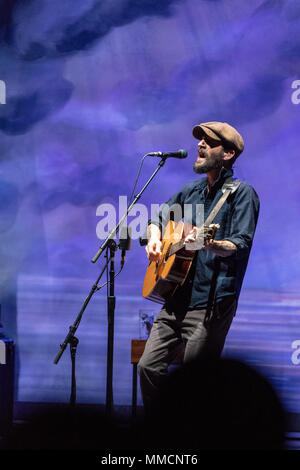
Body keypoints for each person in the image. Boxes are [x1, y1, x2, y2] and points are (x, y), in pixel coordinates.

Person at [138, 121, 260, 411]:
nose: (200, 145)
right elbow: (157, 220)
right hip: (175, 298)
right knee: (147, 367)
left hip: (210, 305)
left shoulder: (241, 194)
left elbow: (240, 244)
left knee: (196, 384)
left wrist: (210, 244)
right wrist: (154, 240)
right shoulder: (190, 192)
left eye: (209, 141)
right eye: (200, 140)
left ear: (227, 154)